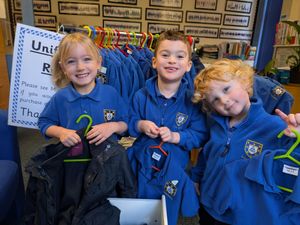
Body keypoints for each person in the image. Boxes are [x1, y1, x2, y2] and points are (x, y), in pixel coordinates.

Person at [190, 58, 300, 225]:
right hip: (209, 206)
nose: (224, 101)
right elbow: (207, 153)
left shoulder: (275, 126)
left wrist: (297, 137)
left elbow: (292, 163)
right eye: (215, 100)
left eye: (226, 89)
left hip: (243, 214)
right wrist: (196, 177)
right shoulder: (217, 125)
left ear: (244, 82)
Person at [127, 30, 208, 225]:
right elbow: (127, 122)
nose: (172, 60)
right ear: (154, 62)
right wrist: (140, 124)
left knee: (167, 213)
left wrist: (175, 136)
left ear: (188, 66)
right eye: (165, 55)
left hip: (174, 169)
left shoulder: (193, 101)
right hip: (142, 166)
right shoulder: (140, 95)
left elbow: (200, 135)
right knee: (138, 211)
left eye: (179, 56)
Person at [38, 32, 128, 147]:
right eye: (71, 61)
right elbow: (44, 123)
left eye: (86, 59)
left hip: (107, 160)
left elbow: (127, 123)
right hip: (73, 161)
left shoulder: (111, 94)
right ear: (63, 67)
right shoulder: (60, 97)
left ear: (98, 63)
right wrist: (61, 132)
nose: (80, 67)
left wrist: (113, 126)